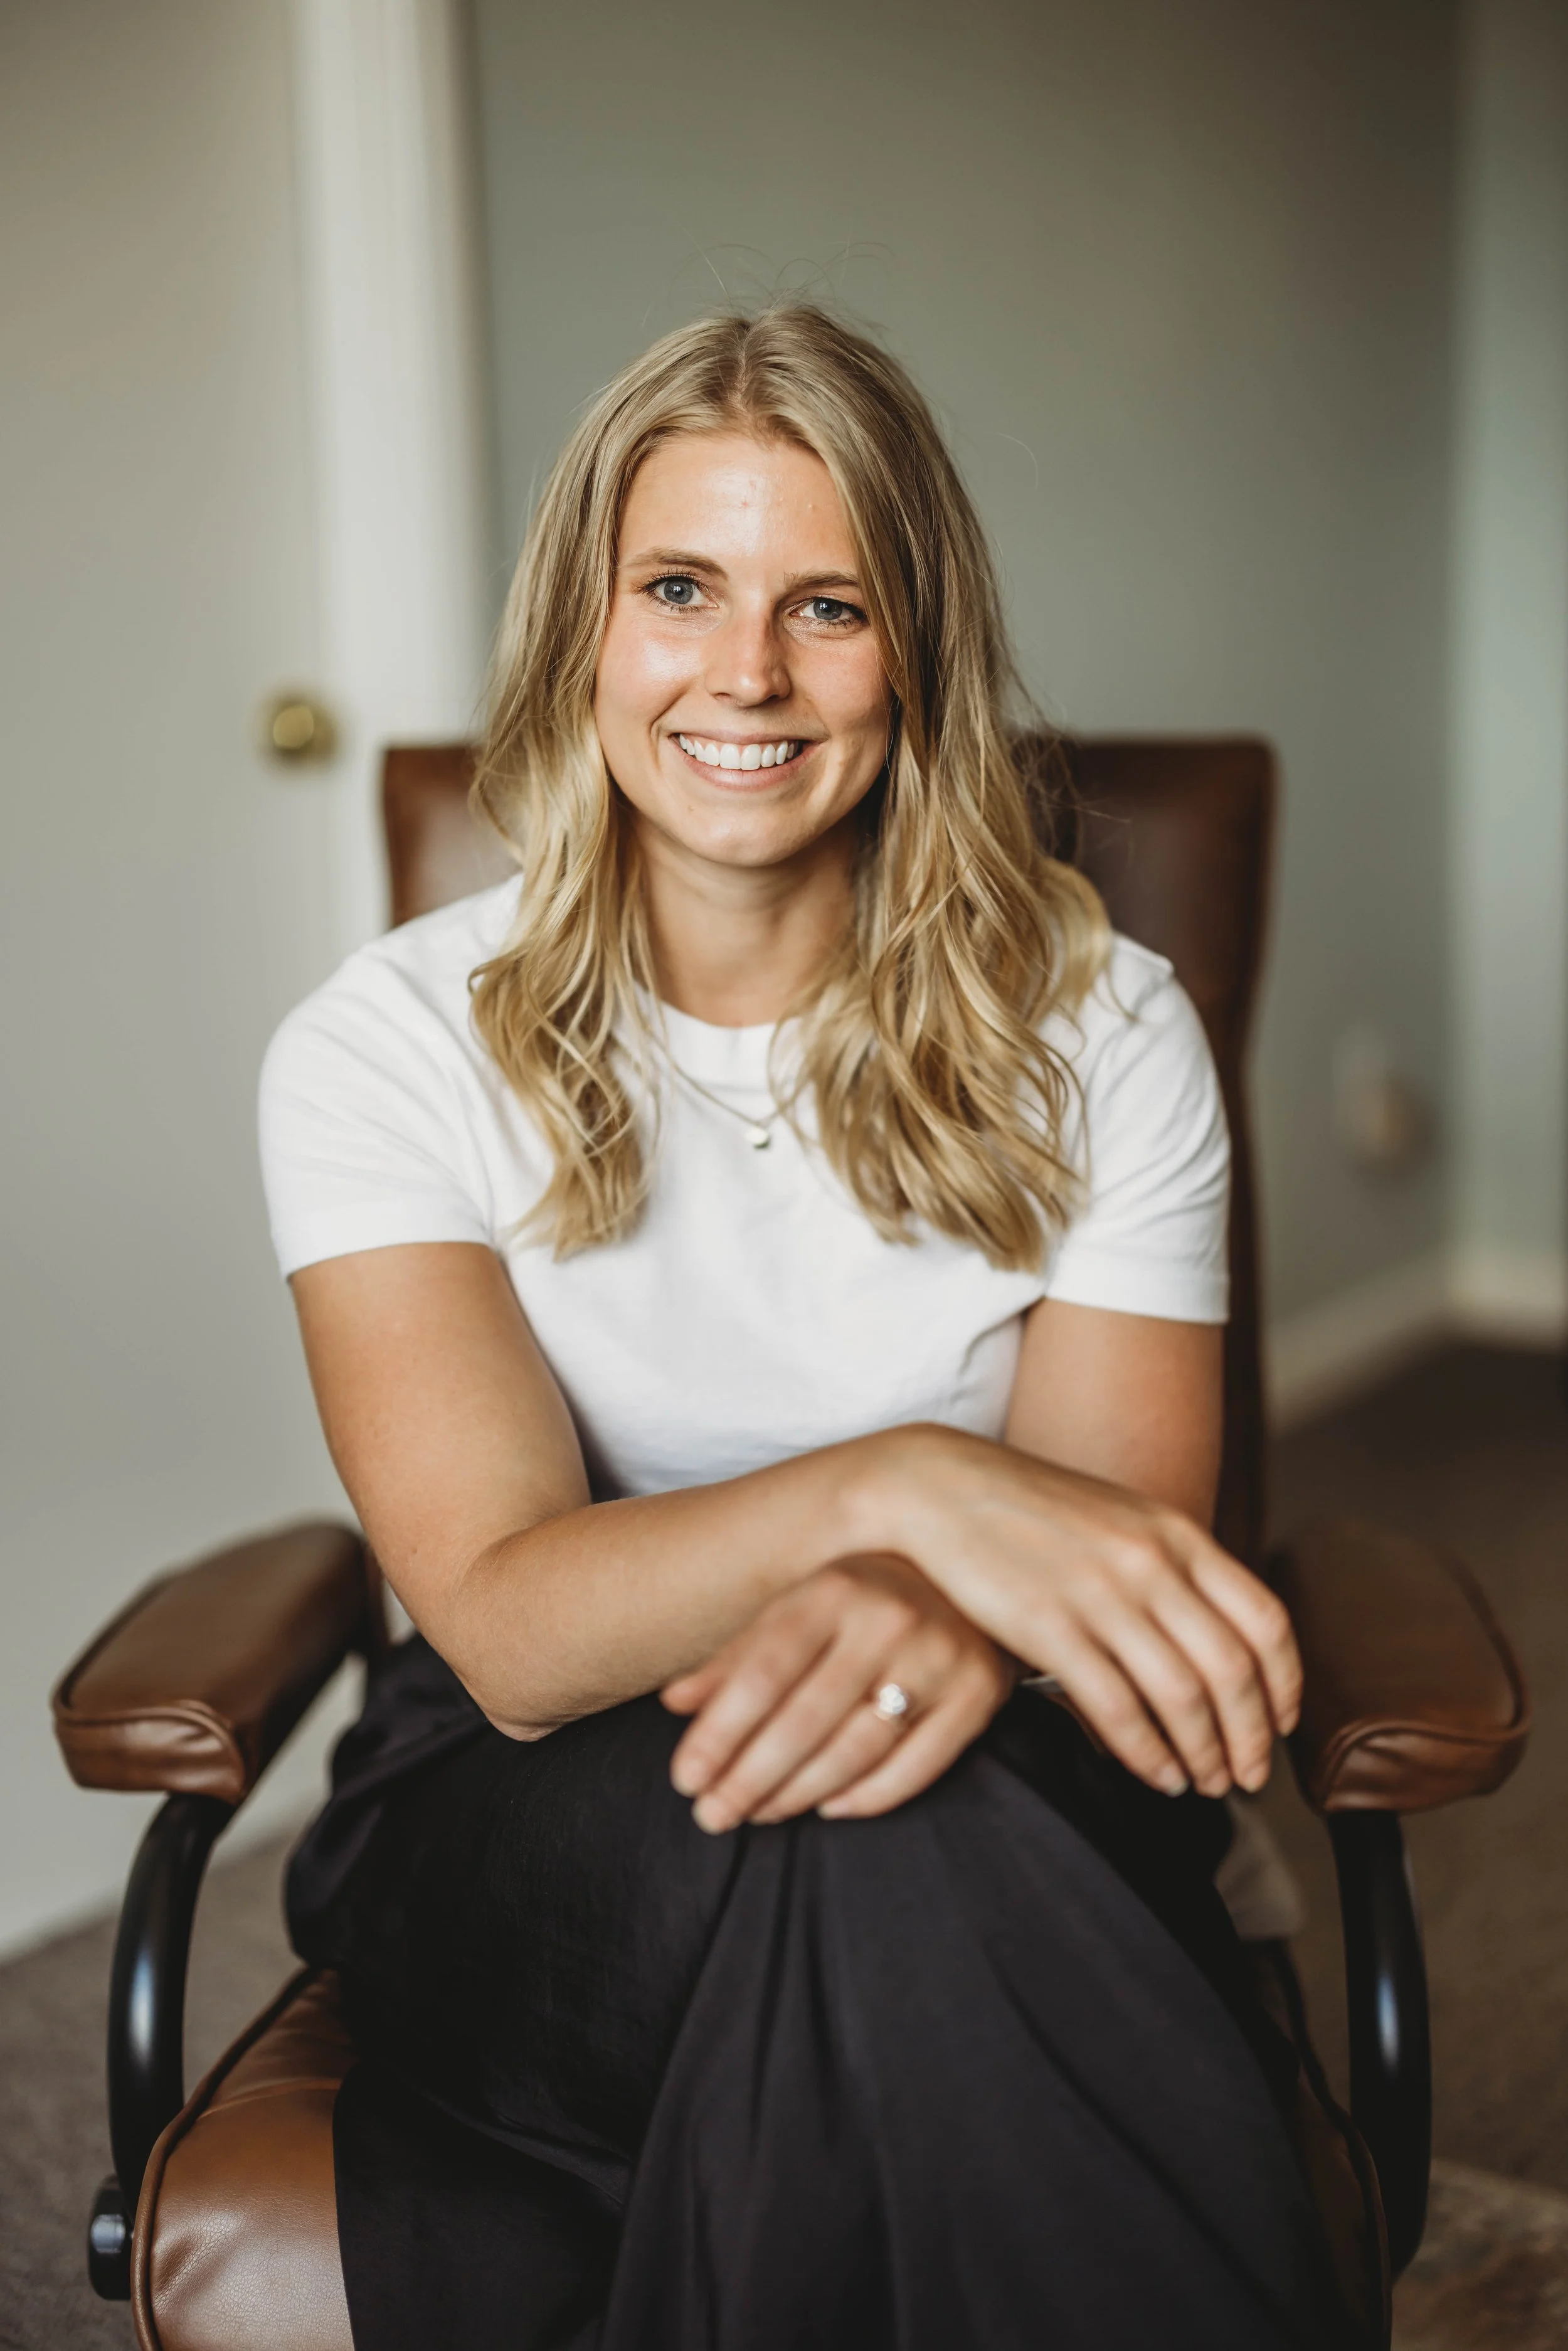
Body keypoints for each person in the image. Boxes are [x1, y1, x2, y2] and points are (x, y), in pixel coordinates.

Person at [260, 305, 1348, 2350]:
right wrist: (916, 1498)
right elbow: (504, 1629)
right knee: (886, 1852)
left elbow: (1111, 1559)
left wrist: (958, 1603)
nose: (743, 673)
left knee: (891, 1841)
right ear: (583, 628)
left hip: (998, 1728)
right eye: (678, 589)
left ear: (911, 655)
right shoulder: (386, 1044)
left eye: (825, 605)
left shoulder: (1099, 1022)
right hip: (545, 1781)